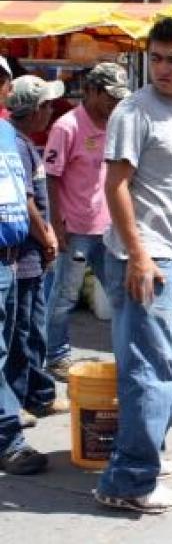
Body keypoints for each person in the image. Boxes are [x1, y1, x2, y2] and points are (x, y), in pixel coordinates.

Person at [94, 18, 172, 513]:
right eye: (157, 57)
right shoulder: (134, 110)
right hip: (141, 256)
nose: (163, 68)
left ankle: (147, 449)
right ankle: (128, 480)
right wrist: (139, 254)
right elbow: (115, 185)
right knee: (148, 368)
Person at [43, 63, 129, 381]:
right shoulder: (67, 127)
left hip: (109, 229)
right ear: (91, 91)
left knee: (119, 294)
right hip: (75, 228)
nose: (114, 104)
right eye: (109, 97)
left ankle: (125, 353)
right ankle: (57, 356)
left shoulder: (117, 124)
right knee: (64, 296)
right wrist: (57, 224)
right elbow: (51, 177)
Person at [3, 76, 65, 428]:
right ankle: (17, 399)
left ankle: (36, 394)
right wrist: (47, 237)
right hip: (24, 256)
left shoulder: (24, 142)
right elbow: (27, 203)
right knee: (21, 334)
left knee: (33, 331)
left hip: (33, 256)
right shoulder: (17, 145)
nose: (51, 111)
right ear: (34, 110)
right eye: (46, 106)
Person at [0, 85, 48, 475]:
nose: (6, 87)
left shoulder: (4, 134)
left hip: (11, 258)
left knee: (9, 344)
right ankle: (8, 440)